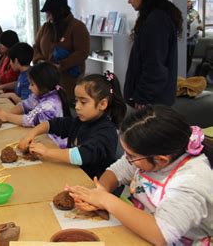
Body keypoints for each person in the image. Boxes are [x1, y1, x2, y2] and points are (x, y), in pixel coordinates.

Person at [67, 105, 213, 245]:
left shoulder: (191, 182)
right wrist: (100, 191)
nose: (127, 159)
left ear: (161, 159)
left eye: (131, 156)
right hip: (142, 229)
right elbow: (118, 170)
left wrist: (107, 200)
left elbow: (161, 234)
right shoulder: (149, 154)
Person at [18, 71, 126, 178]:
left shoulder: (106, 132)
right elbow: (52, 124)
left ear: (102, 104)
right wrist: (31, 134)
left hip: (91, 183)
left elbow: (80, 155)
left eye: (83, 102)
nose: (77, 107)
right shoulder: (81, 121)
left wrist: (46, 152)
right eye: (76, 101)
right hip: (73, 174)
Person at [124, 0, 183, 109]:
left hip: (152, 100)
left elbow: (154, 66)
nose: (129, 0)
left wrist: (143, 97)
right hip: (154, 98)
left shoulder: (156, 21)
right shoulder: (155, 18)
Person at [0, 62, 71, 148]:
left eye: (32, 84)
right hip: (43, 138)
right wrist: (5, 114)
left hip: (55, 145)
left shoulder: (50, 104)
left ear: (42, 85)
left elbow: (29, 119)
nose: (29, 87)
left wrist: (7, 116)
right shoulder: (43, 92)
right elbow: (25, 105)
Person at [32, 0, 90, 101]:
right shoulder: (45, 27)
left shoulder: (77, 27)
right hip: (45, 82)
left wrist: (60, 66)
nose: (48, 17)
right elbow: (35, 47)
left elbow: (82, 53)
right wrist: (39, 61)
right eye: (47, 14)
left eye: (50, 13)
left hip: (68, 84)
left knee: (64, 112)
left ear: (61, 11)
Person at [187, 0, 202, 73]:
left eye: (189, 1)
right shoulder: (180, 11)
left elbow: (199, 23)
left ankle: (187, 73)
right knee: (183, 56)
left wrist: (200, 27)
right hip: (183, 39)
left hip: (192, 39)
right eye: (186, 1)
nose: (188, 3)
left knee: (190, 57)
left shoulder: (194, 12)